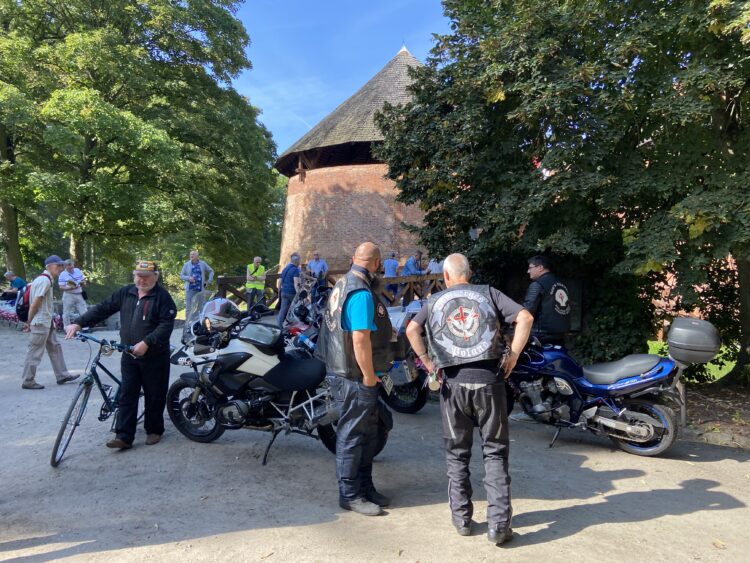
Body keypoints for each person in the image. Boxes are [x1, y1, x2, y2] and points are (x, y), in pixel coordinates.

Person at [406, 253, 533, 544]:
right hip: (490, 383)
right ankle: (498, 526)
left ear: (446, 276)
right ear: (470, 273)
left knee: (456, 453)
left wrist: (427, 361)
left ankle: (462, 519)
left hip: (453, 385)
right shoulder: (489, 293)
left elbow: (412, 329)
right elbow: (525, 317)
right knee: (495, 452)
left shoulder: (434, 300)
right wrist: (513, 355)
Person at [316, 241, 393, 516]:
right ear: (376, 263)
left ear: (353, 258)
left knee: (368, 434)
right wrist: (369, 376)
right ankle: (349, 495)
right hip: (354, 376)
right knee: (352, 435)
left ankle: (365, 487)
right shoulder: (360, 292)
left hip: (346, 372)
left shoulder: (342, 283)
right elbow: (360, 339)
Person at [66, 260, 176, 449]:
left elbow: (166, 325)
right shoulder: (126, 293)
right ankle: (124, 436)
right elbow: (103, 308)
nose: (142, 280)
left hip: (155, 356)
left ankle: (154, 430)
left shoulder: (162, 297)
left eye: (146, 277)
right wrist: (79, 323)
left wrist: (147, 342)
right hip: (129, 353)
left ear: (155, 277)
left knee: (155, 394)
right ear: (134, 276)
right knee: (127, 393)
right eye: (139, 276)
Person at [21, 255, 79, 389]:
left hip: (46, 321)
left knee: (55, 347)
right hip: (40, 322)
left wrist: (51, 320)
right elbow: (35, 303)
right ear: (49, 266)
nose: (61, 268)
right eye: (58, 265)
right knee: (35, 352)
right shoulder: (45, 281)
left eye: (61, 265)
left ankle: (62, 375)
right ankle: (28, 380)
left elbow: (42, 304)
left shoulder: (43, 279)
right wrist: (28, 322)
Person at [523, 255, 571, 346]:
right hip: (561, 334)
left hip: (540, 334)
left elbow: (527, 310)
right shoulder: (562, 284)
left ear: (540, 268)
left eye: (530, 268)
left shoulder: (538, 284)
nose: (528, 271)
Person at [180, 250, 214, 317]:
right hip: (190, 289)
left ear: (197, 256)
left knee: (202, 307)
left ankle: (201, 322)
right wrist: (188, 278)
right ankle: (187, 323)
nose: (191, 255)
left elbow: (211, 271)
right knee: (188, 308)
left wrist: (209, 281)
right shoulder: (186, 264)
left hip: (200, 289)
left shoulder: (202, 263)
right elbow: (181, 275)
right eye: (190, 254)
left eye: (193, 254)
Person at [58, 259, 88, 327]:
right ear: (65, 267)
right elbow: (61, 287)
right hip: (69, 295)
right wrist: (71, 287)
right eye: (69, 268)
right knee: (66, 313)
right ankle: (67, 328)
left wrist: (84, 283)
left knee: (84, 311)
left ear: (73, 265)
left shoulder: (77, 270)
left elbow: (83, 280)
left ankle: (85, 327)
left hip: (79, 294)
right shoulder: (62, 274)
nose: (71, 269)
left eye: (72, 267)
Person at [276, 252, 301, 327]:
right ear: (296, 261)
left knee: (283, 309)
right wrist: (298, 294)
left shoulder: (285, 269)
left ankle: (279, 326)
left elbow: (280, 281)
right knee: (295, 309)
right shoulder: (295, 270)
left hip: (284, 292)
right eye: (299, 261)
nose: (299, 262)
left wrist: (279, 291)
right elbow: (296, 283)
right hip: (291, 292)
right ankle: (293, 325)